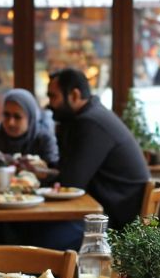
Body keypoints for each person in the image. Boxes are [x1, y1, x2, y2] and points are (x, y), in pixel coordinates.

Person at [46, 68, 150, 232]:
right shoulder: (91, 117)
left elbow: (71, 185)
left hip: (117, 227)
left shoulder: (91, 124)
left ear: (74, 95)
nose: (49, 104)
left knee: (36, 233)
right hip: (111, 215)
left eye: (53, 96)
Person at [0, 88, 58, 168]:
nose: (10, 122)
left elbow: (54, 171)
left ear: (30, 118)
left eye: (17, 117)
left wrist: (26, 166)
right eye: (6, 115)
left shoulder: (43, 137)